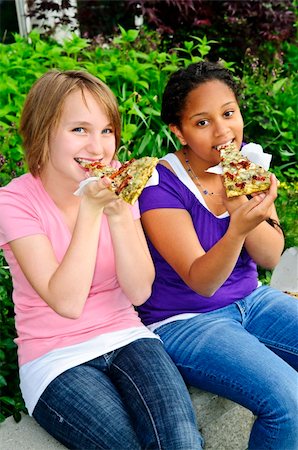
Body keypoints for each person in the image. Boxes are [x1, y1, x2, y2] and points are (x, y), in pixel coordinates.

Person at [0, 70, 203, 450]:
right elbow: (67, 302)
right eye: (80, 130)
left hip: (128, 336)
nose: (98, 148)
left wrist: (117, 212)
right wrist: (91, 212)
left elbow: (140, 291)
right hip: (54, 359)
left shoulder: (118, 191)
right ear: (43, 130)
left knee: (180, 441)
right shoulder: (13, 202)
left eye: (107, 131)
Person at [138, 61, 298, 450]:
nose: (223, 130)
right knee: (288, 402)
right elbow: (201, 281)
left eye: (228, 113)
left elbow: (272, 256)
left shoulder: (246, 162)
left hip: (253, 299)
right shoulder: (160, 185)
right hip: (186, 320)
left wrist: (249, 208)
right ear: (178, 130)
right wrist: (237, 227)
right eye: (203, 122)